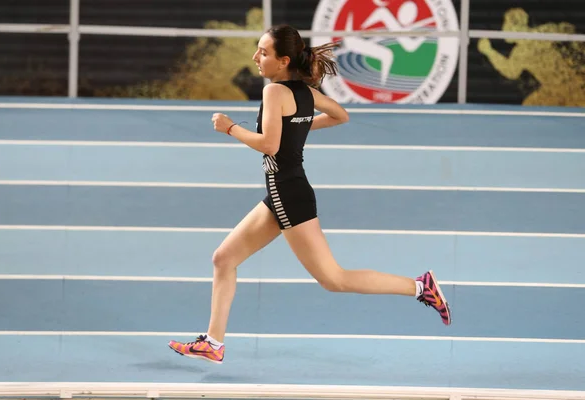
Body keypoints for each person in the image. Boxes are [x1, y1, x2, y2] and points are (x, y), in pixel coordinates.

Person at [168, 24, 451, 365]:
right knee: (223, 259)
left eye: (264, 52)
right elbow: (340, 116)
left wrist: (231, 128)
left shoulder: (274, 93)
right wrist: (297, 125)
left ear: (283, 60)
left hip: (289, 195)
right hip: (282, 193)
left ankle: (421, 287)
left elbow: (269, 144)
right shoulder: (304, 91)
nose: (255, 57)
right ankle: (213, 342)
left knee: (334, 280)